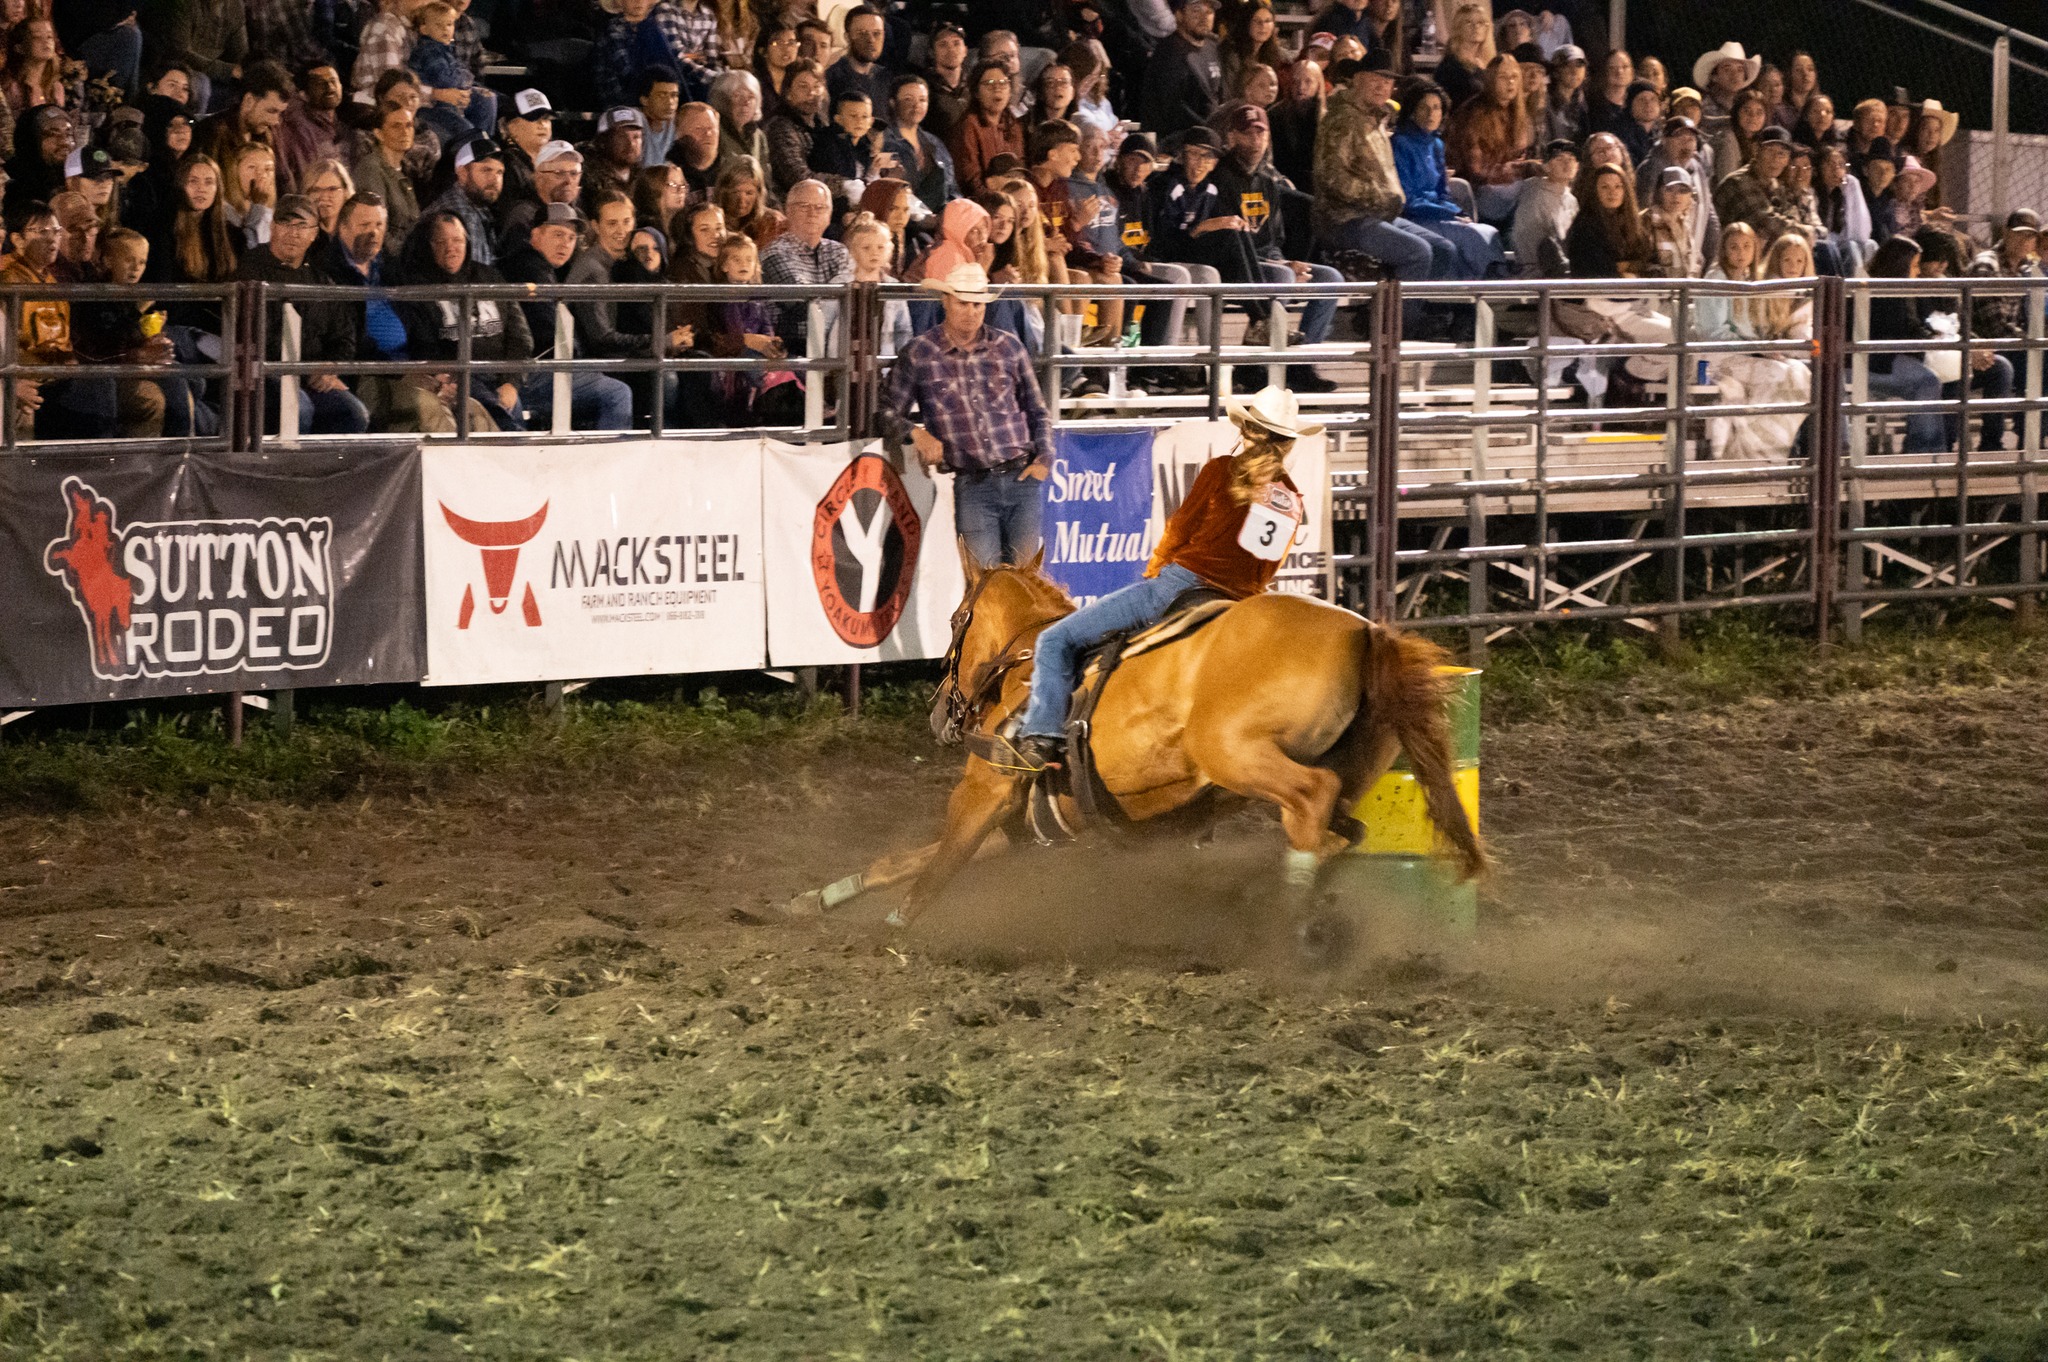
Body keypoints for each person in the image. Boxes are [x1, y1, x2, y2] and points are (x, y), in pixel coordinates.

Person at [1009, 384, 1319, 771]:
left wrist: (1157, 570)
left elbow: (1180, 529)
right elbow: (1266, 565)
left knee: (1057, 639)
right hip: (1239, 603)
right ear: (1287, 443)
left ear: (1245, 430)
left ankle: (1042, 734)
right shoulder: (1289, 496)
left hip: (1183, 585)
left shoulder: (1220, 470)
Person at [884, 261, 1054, 569]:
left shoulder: (1008, 347)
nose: (971, 311)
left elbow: (1037, 409)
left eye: (978, 304)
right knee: (984, 586)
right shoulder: (919, 353)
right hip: (972, 484)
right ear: (946, 301)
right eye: (963, 303)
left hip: (1021, 475)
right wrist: (916, 432)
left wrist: (1044, 459)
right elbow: (884, 412)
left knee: (1027, 586)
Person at [1212, 104, 1343, 390]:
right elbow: (1232, 238)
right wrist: (1283, 267)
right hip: (1233, 263)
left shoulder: (1268, 181)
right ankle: (1251, 367)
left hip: (1267, 262)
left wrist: (1285, 262)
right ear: (1232, 137)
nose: (1255, 141)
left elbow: (1272, 240)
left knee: (1332, 279)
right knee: (1281, 277)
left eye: (1261, 133)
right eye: (1247, 134)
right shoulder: (1219, 178)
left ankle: (1300, 364)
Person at [1312, 56, 1453, 287]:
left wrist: (1390, 200)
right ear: (1357, 80)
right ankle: (1401, 321)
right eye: (1374, 79)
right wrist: (1382, 197)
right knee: (1419, 253)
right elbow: (1333, 179)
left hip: (1381, 214)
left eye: (1387, 81)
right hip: (1344, 220)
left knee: (1443, 249)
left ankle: (1420, 313)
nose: (1382, 86)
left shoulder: (1377, 119)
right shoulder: (1341, 120)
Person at [234, 194, 370, 435]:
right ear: (273, 227)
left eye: (301, 226)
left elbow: (344, 337)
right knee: (299, 408)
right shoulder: (250, 270)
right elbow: (252, 337)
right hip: (264, 375)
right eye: (286, 224)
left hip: (309, 378)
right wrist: (307, 371)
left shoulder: (321, 281)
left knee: (353, 413)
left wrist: (329, 367)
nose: (293, 233)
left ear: (314, 233)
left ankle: (329, 472)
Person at [498, 200, 636, 430]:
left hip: (529, 370)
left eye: (571, 238)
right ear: (536, 235)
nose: (565, 244)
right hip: (530, 374)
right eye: (558, 235)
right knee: (618, 393)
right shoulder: (530, 268)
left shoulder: (540, 267)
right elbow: (548, 332)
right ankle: (613, 465)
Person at [394, 208, 532, 430]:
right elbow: (424, 345)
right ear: (428, 245)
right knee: (491, 408)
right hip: (460, 375)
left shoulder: (490, 278)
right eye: (441, 241)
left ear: (467, 242)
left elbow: (520, 337)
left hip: (502, 374)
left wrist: (510, 382)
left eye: (457, 240)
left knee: (513, 402)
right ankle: (517, 444)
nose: (451, 248)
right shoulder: (417, 287)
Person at [568, 188, 695, 426]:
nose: (621, 231)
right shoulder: (593, 271)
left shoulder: (625, 264)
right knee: (666, 378)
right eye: (612, 223)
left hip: (626, 356)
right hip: (597, 363)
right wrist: (662, 341)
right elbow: (602, 339)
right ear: (595, 226)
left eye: (627, 222)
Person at [1705, 231, 1813, 460]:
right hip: (1722, 356)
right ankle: (1751, 451)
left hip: (1752, 352)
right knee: (1782, 373)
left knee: (1800, 373)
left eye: (1746, 247)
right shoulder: (1719, 278)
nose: (1740, 253)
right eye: (1734, 247)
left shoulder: (1750, 280)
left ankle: (1773, 450)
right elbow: (1716, 331)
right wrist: (1760, 348)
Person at [1391, 80, 1505, 280]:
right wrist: (1449, 213)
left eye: (1436, 108)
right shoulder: (1400, 144)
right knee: (1472, 236)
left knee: (1488, 231)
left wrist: (1456, 212)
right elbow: (1408, 199)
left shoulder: (1436, 144)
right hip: (1415, 217)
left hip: (1438, 213)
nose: (1431, 113)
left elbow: (1442, 192)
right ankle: (1472, 291)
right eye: (1423, 107)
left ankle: (1481, 289)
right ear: (1412, 111)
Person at [1863, 234, 1945, 454]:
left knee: (1942, 377)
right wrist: (1931, 343)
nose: (1918, 271)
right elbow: (1898, 335)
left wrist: (1935, 338)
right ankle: (1922, 451)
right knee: (1928, 382)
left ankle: (1934, 449)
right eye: (1915, 265)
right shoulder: (1881, 293)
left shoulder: (1904, 290)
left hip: (1889, 358)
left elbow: (1914, 328)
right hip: (1872, 362)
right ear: (1899, 265)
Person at [758, 177, 849, 353]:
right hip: (790, 348)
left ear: (829, 215)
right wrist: (836, 295)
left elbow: (849, 298)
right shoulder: (774, 253)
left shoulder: (839, 251)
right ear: (788, 211)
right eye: (804, 206)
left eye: (820, 207)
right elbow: (801, 304)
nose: (812, 213)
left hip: (836, 342)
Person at [1445, 53, 1534, 228]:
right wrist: (1522, 168)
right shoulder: (1474, 114)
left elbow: (1520, 156)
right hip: (1478, 192)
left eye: (1514, 77)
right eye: (1503, 77)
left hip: (1508, 186)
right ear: (1491, 80)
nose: (1510, 82)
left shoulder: (1518, 114)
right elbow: (1477, 172)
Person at [1139, 0, 1223, 134]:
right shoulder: (1169, 54)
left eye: (1209, 11)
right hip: (1178, 141)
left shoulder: (1212, 47)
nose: (1204, 17)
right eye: (1196, 10)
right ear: (1179, 15)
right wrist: (1211, 128)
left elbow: (1219, 92)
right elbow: (1173, 109)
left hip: (1210, 134)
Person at [948, 57, 1022, 197]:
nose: (997, 89)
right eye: (989, 83)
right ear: (976, 92)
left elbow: (1020, 169)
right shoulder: (969, 125)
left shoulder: (1013, 124)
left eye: (1003, 83)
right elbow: (970, 181)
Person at [351, 103, 422, 244]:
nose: (405, 131)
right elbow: (378, 230)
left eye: (409, 125)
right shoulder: (371, 170)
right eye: (396, 126)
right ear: (379, 134)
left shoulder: (406, 168)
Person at [274, 60, 345, 192]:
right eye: (319, 83)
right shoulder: (297, 128)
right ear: (304, 94)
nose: (330, 87)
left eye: (333, 80)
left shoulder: (347, 124)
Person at [1511, 137, 1576, 276]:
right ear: (1546, 166)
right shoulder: (1534, 194)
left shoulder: (1571, 199)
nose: (1567, 163)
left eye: (1571, 159)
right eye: (1559, 159)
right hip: (1539, 272)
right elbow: (1530, 243)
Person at [826, 4, 891, 112]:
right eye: (862, 33)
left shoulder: (888, 79)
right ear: (847, 37)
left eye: (877, 33)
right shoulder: (832, 79)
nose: (871, 40)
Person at [1691, 40, 1758, 138]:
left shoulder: (1747, 107)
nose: (1735, 75)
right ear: (1714, 76)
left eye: (1740, 70)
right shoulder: (1704, 109)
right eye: (1727, 69)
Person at [1641, 167, 1699, 279]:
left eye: (1683, 190)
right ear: (1659, 191)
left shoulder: (1685, 224)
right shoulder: (1646, 221)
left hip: (1681, 293)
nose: (1676, 196)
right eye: (1670, 189)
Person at [715, 154, 783, 247]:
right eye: (735, 192)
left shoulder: (773, 223)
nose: (741, 201)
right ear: (723, 191)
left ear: (758, 194)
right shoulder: (712, 224)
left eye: (749, 193)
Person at [637, 65, 684, 165]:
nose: (670, 102)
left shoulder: (680, 123)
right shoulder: (633, 125)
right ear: (644, 100)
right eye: (661, 95)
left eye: (674, 95)